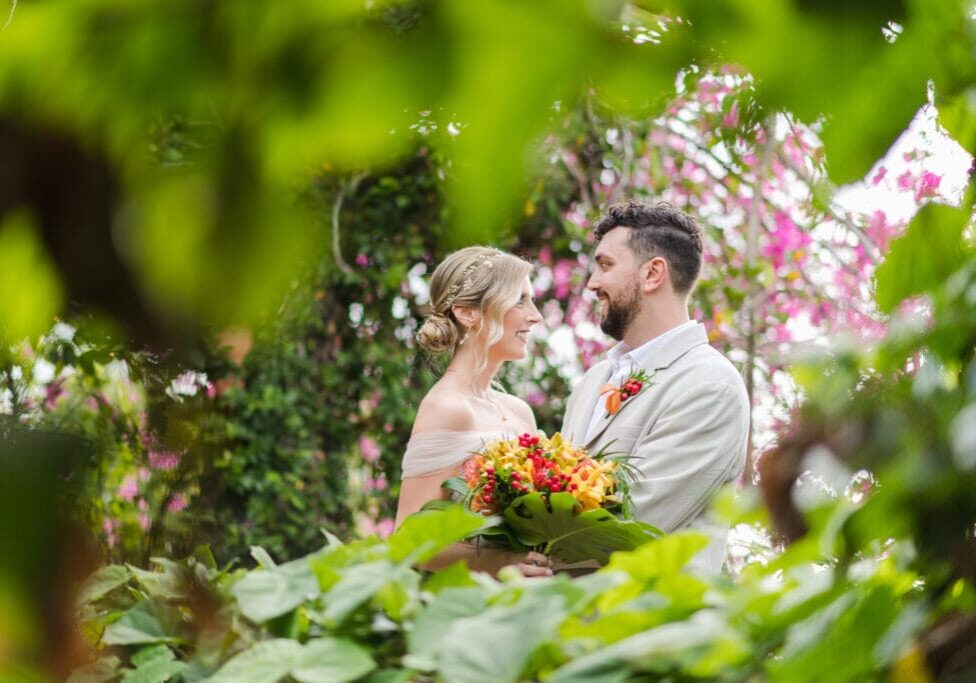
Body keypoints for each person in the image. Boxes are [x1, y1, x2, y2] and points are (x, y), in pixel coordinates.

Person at [561, 201, 750, 574]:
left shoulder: (711, 386)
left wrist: (520, 554)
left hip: (650, 625)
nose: (592, 284)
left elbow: (634, 523)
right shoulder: (592, 382)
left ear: (652, 274)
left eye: (605, 265)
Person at [395, 246, 551, 577]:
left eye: (532, 300)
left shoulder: (520, 411)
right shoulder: (447, 408)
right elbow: (409, 540)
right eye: (519, 300)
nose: (535, 315)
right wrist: (503, 564)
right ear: (467, 312)